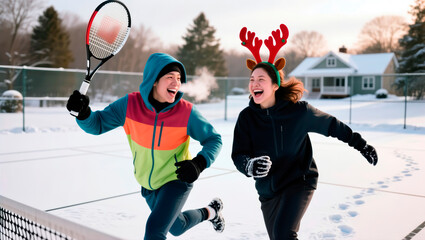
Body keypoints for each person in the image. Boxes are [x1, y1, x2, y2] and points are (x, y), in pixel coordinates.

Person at [232, 24, 378, 240]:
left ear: (275, 85)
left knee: (283, 235)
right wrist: (249, 166)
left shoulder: (299, 112)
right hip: (268, 191)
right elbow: (238, 154)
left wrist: (361, 145)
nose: (254, 84)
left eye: (261, 79)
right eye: (252, 79)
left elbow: (333, 126)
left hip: (298, 181)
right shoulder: (246, 117)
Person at [66, 53, 224, 239]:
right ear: (154, 81)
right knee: (177, 227)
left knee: (154, 231)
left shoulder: (186, 112)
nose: (176, 83)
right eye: (170, 77)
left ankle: (210, 211)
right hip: (148, 184)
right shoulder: (130, 105)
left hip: (176, 180)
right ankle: (211, 212)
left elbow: (214, 139)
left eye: (179, 79)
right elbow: (97, 124)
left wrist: (198, 163)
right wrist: (83, 114)